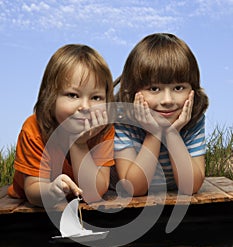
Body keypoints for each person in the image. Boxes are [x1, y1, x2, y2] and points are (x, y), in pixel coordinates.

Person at [8, 44, 115, 207]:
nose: (85, 107)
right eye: (73, 95)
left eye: (96, 98)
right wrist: (51, 190)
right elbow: (32, 191)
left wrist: (79, 143)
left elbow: (94, 193)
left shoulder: (103, 130)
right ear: (50, 97)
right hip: (33, 201)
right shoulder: (34, 130)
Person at [113, 33, 209, 196]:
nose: (167, 100)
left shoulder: (192, 118)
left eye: (178, 88)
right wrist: (154, 134)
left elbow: (190, 187)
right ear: (133, 92)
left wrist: (172, 134)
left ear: (192, 90)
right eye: (154, 89)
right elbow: (133, 189)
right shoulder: (123, 120)